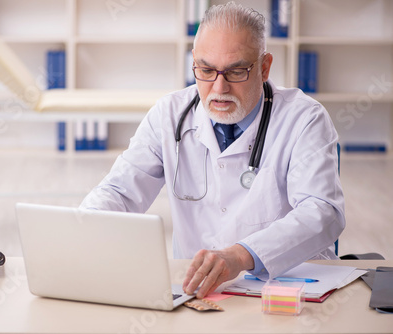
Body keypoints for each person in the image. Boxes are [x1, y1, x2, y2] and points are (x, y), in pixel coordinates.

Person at [80, 2, 345, 299]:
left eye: (236, 72)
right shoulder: (169, 115)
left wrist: (243, 255)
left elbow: (322, 212)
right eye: (206, 70)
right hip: (197, 294)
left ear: (265, 67)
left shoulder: (304, 119)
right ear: (193, 62)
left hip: (289, 292)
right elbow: (120, 191)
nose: (219, 88)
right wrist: (84, 226)